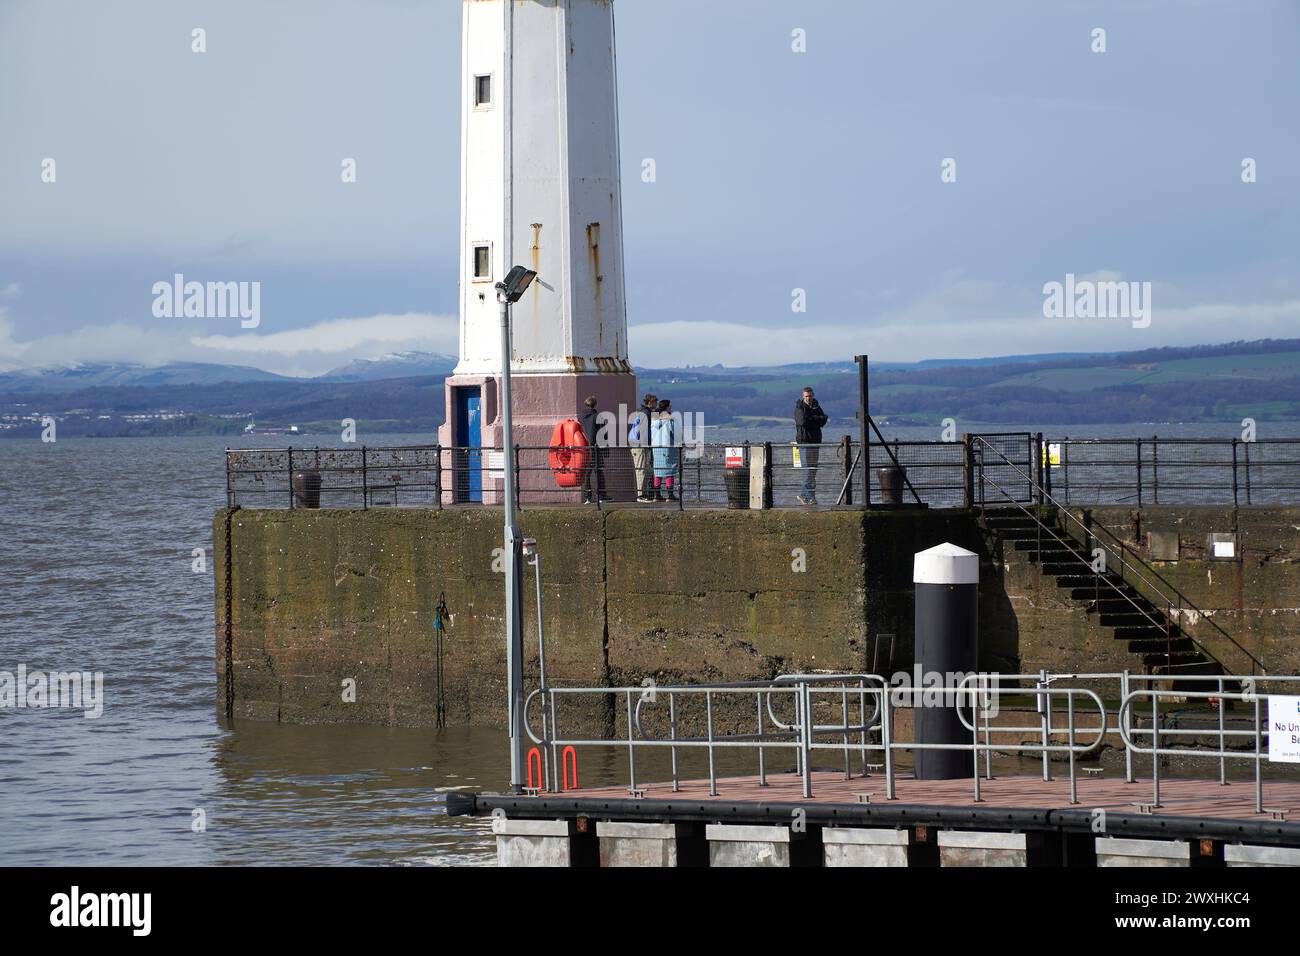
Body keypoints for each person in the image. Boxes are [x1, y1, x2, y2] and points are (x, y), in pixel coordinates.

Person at [793, 386, 828, 505]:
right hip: (805, 443)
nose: (808, 398)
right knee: (808, 470)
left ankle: (810, 497)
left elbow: (823, 420)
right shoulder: (799, 407)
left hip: (815, 442)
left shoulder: (816, 406)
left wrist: (812, 419)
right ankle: (805, 495)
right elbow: (802, 422)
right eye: (806, 396)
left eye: (810, 396)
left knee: (813, 471)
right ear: (803, 397)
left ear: (813, 395)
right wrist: (816, 420)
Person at [578, 395, 607, 504]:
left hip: (584, 448)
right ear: (595, 404)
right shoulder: (598, 416)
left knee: (587, 473)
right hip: (596, 448)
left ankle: (587, 497)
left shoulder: (581, 417)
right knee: (598, 472)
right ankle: (601, 495)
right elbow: (602, 434)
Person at [629, 392, 657, 503]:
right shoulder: (646, 413)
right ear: (651, 402)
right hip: (640, 445)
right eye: (655, 402)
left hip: (636, 444)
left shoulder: (641, 411)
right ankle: (640, 495)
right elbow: (644, 431)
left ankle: (643, 494)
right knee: (640, 469)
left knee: (643, 469)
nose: (656, 404)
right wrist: (648, 445)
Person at [650, 398, 679, 502]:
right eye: (670, 406)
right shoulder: (669, 419)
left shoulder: (654, 418)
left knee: (657, 470)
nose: (671, 407)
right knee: (669, 470)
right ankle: (670, 495)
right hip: (667, 447)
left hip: (656, 447)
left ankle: (656, 495)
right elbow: (674, 432)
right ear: (667, 407)